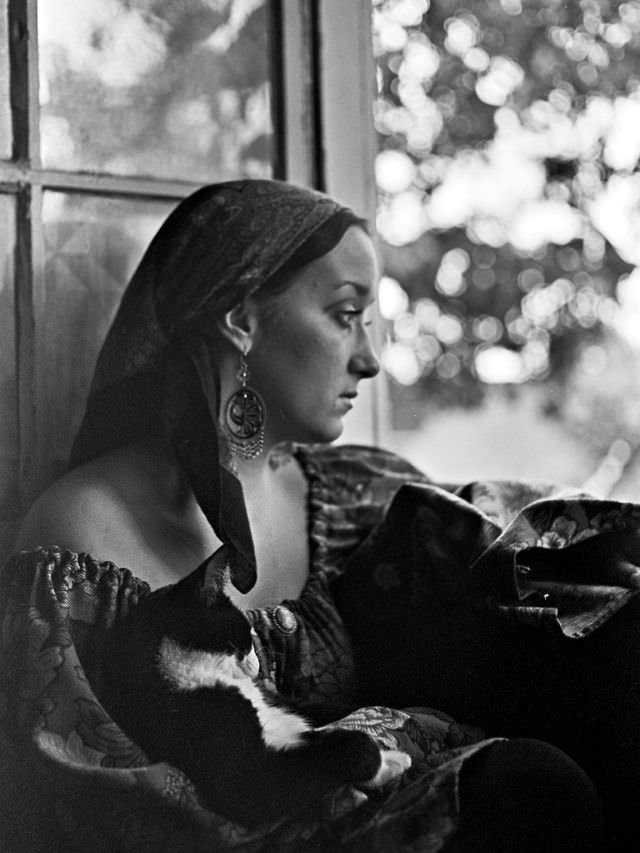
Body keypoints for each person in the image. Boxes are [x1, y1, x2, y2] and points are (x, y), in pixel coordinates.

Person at [1, 179, 639, 852]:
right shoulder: (84, 534)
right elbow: (95, 809)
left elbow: (508, 531)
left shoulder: (352, 494)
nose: (369, 359)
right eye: (344, 314)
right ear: (240, 319)